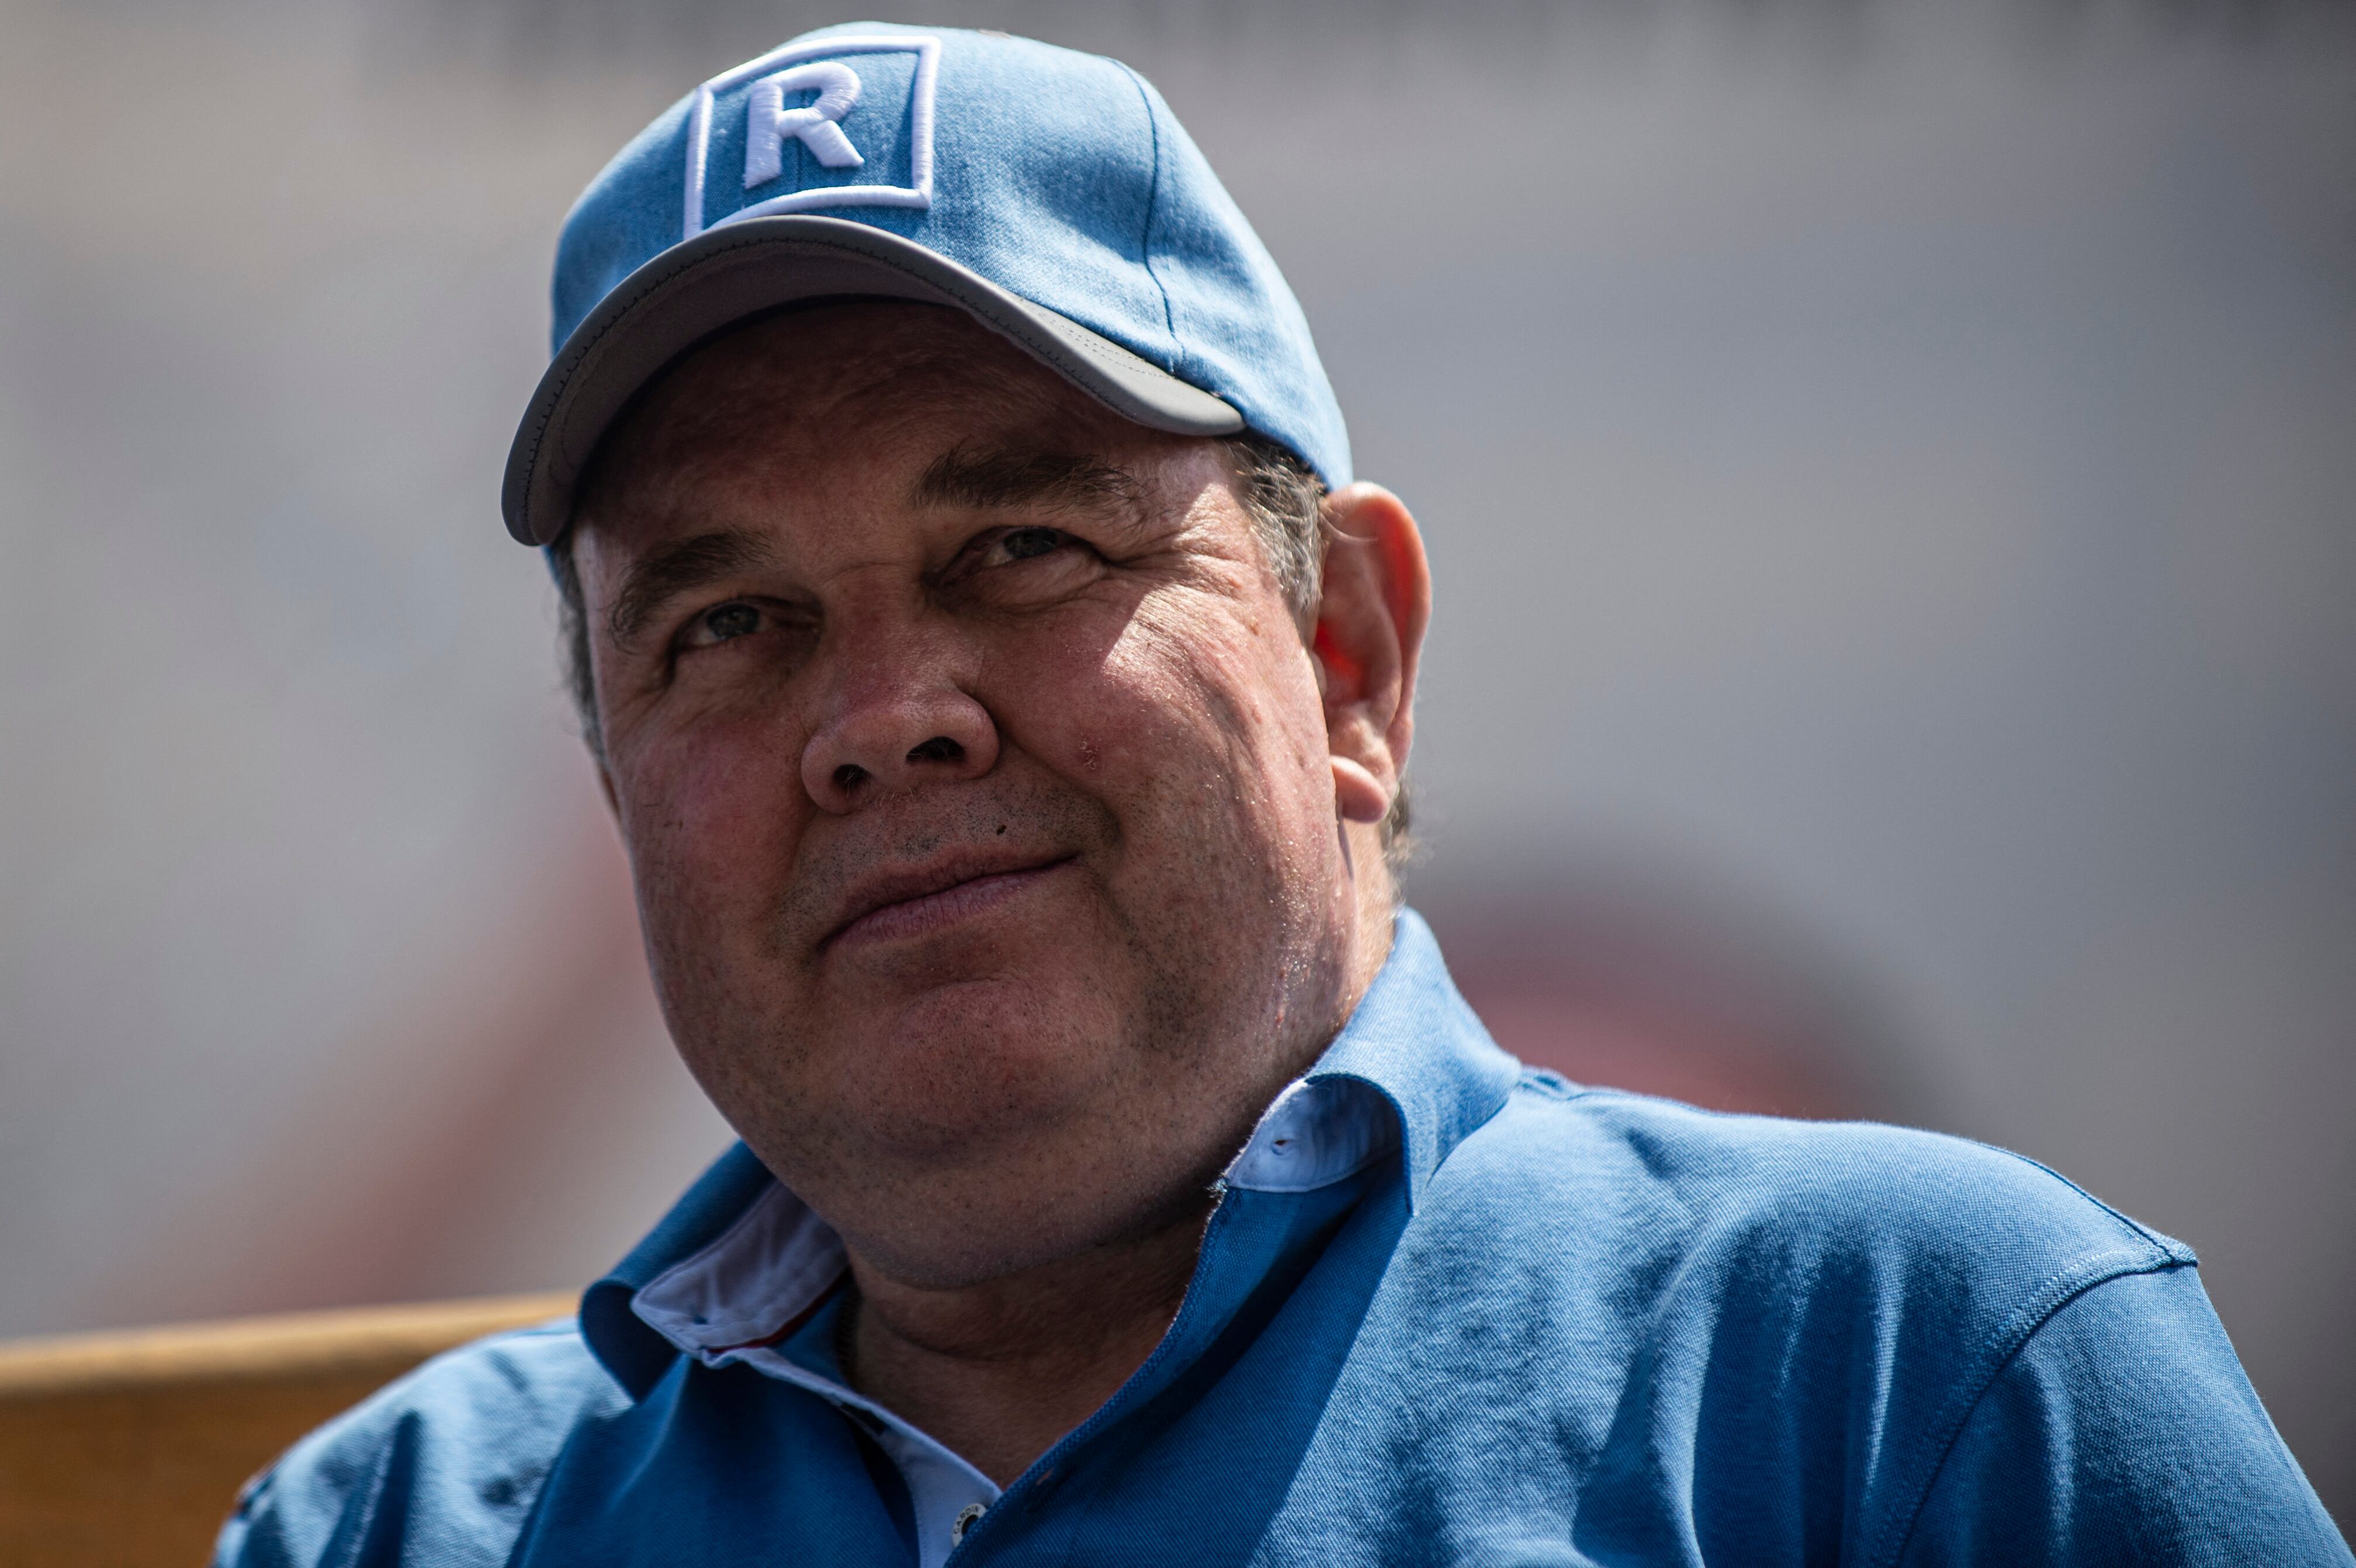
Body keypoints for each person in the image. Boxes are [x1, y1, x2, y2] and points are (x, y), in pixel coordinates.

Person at [214, 23, 2350, 1567]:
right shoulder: (388, 1527)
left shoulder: (1912, 1381)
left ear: (1351, 659)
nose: (880, 715)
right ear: (617, 787)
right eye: (725, 628)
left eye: (1021, 550)